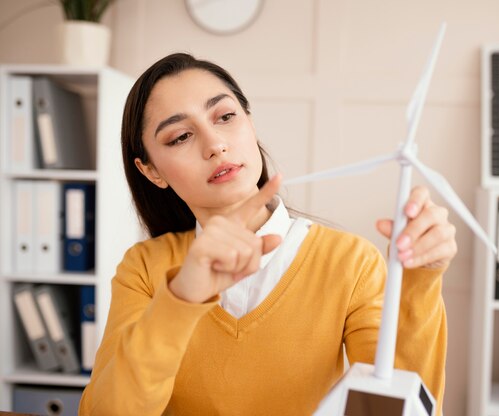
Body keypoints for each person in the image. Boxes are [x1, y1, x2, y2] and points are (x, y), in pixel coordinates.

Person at [79, 52, 457, 415]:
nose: (215, 145)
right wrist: (181, 298)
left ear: (250, 122)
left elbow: (399, 408)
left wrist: (419, 280)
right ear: (151, 172)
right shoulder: (145, 268)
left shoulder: (350, 263)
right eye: (180, 137)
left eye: (225, 116)